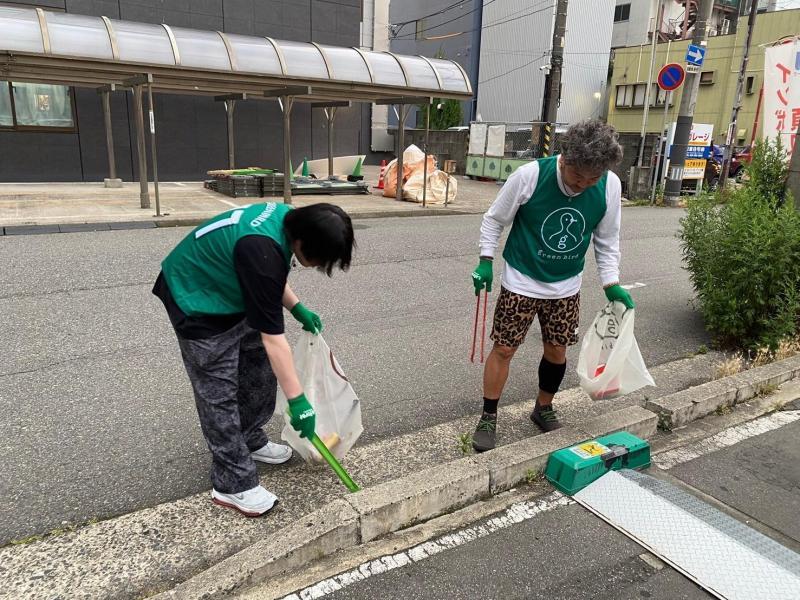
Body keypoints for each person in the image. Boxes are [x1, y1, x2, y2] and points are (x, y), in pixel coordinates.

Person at [153, 202, 355, 516]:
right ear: (302, 240)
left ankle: (248, 437)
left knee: (259, 370)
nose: (317, 265)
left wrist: (296, 307)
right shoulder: (260, 247)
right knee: (218, 393)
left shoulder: (289, 221)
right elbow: (274, 337)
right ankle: (231, 483)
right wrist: (299, 402)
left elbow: (270, 272)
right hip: (196, 296)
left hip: (232, 288)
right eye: (319, 258)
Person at [470, 119, 634, 453]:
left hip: (566, 285)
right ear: (564, 160)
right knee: (504, 348)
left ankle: (543, 407)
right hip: (521, 279)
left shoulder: (609, 186)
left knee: (557, 350)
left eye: (592, 179)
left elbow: (607, 240)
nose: (583, 185)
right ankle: (489, 415)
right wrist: (486, 259)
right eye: (577, 176)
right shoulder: (530, 176)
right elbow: (494, 219)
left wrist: (611, 283)